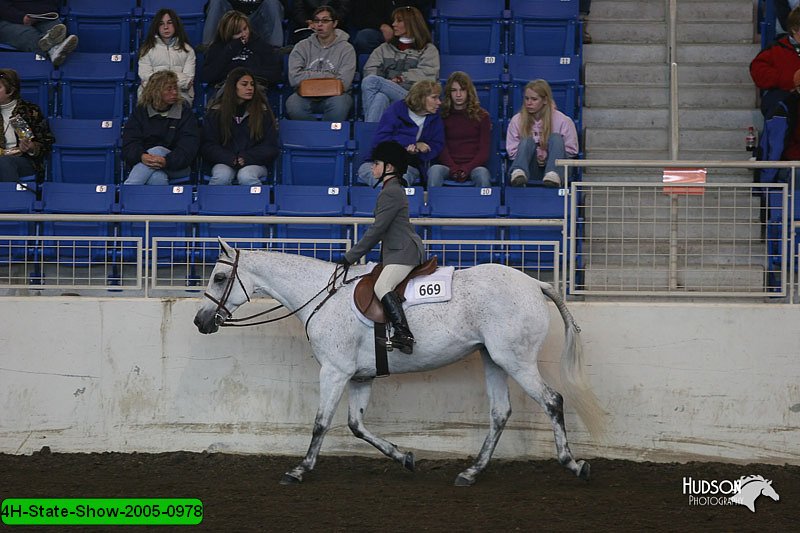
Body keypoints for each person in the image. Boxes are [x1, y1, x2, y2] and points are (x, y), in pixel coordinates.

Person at [340, 140, 425, 354]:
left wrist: (349, 257)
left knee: (382, 286)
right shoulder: (390, 189)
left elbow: (376, 230)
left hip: (404, 252)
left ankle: (404, 334)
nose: (372, 167)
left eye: (376, 163)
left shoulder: (391, 192)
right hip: (396, 251)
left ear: (389, 167)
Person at [357, 79, 443, 187]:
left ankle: (386, 200)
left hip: (408, 165)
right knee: (372, 174)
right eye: (434, 97)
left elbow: (437, 144)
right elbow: (381, 141)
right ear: (421, 98)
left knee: (397, 180)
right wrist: (411, 144)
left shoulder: (436, 117)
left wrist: (416, 152)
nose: (439, 102)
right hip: (379, 161)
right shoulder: (396, 109)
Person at [201, 67, 279, 186]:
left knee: (246, 175)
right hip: (225, 161)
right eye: (244, 84)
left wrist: (247, 157)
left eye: (252, 84)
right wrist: (228, 158)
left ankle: (256, 205)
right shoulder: (216, 111)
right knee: (222, 176)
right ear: (233, 87)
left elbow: (270, 146)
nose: (250, 88)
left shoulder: (263, 111)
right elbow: (208, 145)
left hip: (255, 162)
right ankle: (215, 204)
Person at [360, 5, 439, 122]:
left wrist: (400, 79)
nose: (393, 24)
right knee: (380, 97)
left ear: (411, 23)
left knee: (371, 81)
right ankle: (372, 135)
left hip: (413, 98)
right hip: (387, 95)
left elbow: (427, 76)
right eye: (394, 21)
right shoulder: (384, 48)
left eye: (399, 21)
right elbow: (370, 69)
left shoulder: (428, 49)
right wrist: (387, 86)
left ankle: (367, 132)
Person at [121, 70, 199, 185]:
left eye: (175, 88)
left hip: (177, 167)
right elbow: (130, 143)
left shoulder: (185, 113)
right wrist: (142, 156)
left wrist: (166, 161)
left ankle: (127, 192)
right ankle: (161, 203)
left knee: (157, 150)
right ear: (156, 92)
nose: (174, 93)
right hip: (144, 164)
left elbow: (188, 148)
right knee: (157, 178)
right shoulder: (141, 112)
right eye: (169, 89)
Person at [285, 6, 356, 121]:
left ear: (335, 23)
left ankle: (327, 135)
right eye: (316, 21)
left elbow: (344, 83)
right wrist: (330, 76)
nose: (319, 24)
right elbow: (295, 78)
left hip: (336, 96)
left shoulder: (347, 49)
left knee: (341, 104)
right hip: (305, 96)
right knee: (292, 104)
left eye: (325, 21)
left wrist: (308, 76)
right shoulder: (301, 46)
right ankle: (312, 136)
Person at [506, 79, 579, 188]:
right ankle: (518, 172)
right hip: (530, 167)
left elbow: (572, 151)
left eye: (534, 99)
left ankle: (553, 175)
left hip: (558, 167)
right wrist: (536, 153)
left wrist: (548, 156)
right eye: (526, 99)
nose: (529, 103)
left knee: (556, 138)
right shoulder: (517, 120)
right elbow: (511, 152)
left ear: (545, 100)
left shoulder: (563, 120)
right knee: (527, 140)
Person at [427, 71, 491, 188]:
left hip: (474, 167)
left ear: (469, 92)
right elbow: (441, 147)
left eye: (462, 90)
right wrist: (454, 168)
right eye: (454, 90)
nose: (458, 94)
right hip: (448, 166)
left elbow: (483, 152)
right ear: (449, 93)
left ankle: (484, 206)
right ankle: (432, 204)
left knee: (482, 174)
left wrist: (466, 169)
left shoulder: (482, 116)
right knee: (434, 170)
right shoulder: (441, 115)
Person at [202, 10, 283, 90]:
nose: (244, 34)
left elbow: (276, 73)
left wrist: (248, 73)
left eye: (245, 29)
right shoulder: (218, 48)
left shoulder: (259, 44)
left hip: (255, 86)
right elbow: (208, 76)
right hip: (228, 87)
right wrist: (231, 49)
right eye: (238, 33)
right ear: (228, 33)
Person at [0, 68, 54, 181]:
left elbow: (46, 143)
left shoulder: (30, 111)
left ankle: (11, 197)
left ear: (11, 91)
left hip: (23, 161)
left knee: (4, 162)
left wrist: (31, 147)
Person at [138, 9, 196, 106]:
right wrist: (175, 80)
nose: (165, 27)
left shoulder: (188, 50)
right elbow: (145, 79)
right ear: (156, 26)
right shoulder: (147, 50)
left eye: (169, 23)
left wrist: (158, 80)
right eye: (161, 24)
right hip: (153, 96)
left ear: (176, 25)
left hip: (179, 96)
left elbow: (188, 82)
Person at [751, 7, 800, 116]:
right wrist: (789, 79)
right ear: (794, 29)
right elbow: (758, 71)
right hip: (787, 100)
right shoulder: (776, 49)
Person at [0, 0, 78, 66]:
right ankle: (53, 50)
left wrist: (42, 13)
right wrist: (21, 17)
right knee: (28, 34)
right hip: (9, 19)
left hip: (43, 15)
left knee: (58, 28)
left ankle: (54, 48)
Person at [348, 0, 431, 56]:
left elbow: (419, 16)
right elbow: (360, 16)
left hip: (410, 32)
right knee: (364, 37)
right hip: (380, 33)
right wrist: (381, 25)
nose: (394, 24)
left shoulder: (430, 50)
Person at [201, 0, 285, 48]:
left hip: (258, 19)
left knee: (272, 3)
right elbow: (208, 8)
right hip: (233, 19)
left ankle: (275, 50)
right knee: (217, 1)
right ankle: (208, 48)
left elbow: (283, 9)